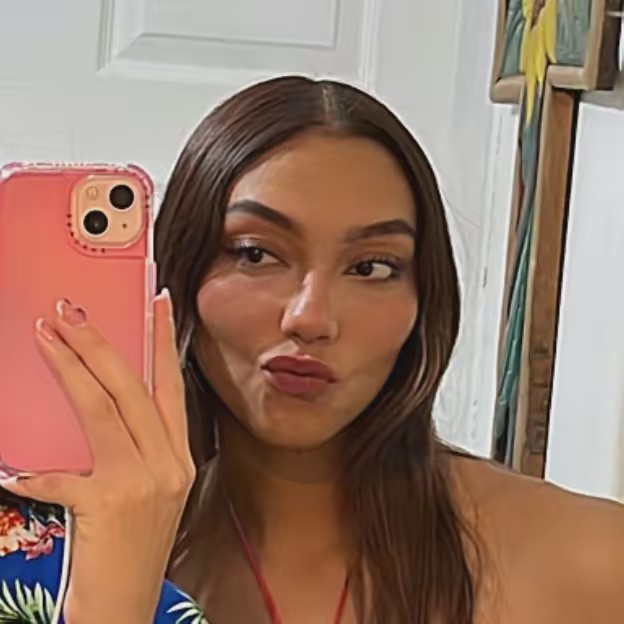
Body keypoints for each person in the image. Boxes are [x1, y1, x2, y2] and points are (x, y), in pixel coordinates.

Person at [1, 75, 624, 624]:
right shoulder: (40, 559)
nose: (311, 317)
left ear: (424, 299)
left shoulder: (589, 561)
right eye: (255, 254)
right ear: (179, 273)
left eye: (372, 267)